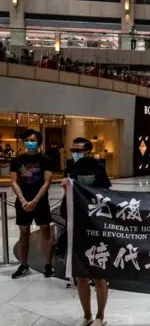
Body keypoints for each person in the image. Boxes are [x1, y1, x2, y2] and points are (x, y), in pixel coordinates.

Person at [61, 137, 112, 326]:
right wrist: (66, 191)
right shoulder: (71, 170)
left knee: (99, 277)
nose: (75, 153)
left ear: (88, 151)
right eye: (73, 149)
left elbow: (107, 197)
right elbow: (65, 210)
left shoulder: (98, 169)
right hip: (79, 229)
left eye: (78, 150)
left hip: (97, 229)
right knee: (82, 276)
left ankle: (100, 316)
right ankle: (87, 315)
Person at [10, 129, 54, 279]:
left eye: (33, 140)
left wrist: (35, 201)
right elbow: (14, 182)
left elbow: (47, 182)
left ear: (39, 142)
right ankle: (23, 265)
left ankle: (48, 265)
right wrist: (23, 200)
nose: (30, 142)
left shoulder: (45, 160)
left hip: (40, 202)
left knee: (46, 232)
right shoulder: (17, 160)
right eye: (27, 140)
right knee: (24, 233)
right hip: (22, 203)